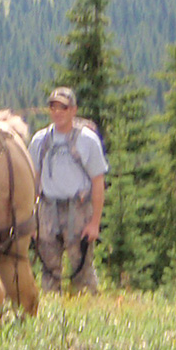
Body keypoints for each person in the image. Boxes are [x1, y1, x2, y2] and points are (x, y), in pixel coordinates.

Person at [29, 85, 106, 293]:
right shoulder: (39, 140)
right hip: (47, 209)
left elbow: (98, 182)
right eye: (53, 107)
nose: (57, 112)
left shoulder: (88, 141)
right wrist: (32, 220)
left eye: (63, 107)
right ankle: (52, 309)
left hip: (79, 210)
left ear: (73, 110)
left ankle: (88, 308)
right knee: (48, 269)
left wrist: (95, 223)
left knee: (82, 268)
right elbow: (33, 180)